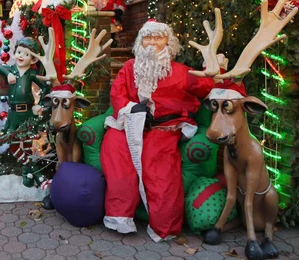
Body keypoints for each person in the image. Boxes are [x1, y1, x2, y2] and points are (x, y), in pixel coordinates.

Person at [100, 19, 242, 242]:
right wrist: (131, 108)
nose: (152, 42)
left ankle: (164, 226)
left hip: (163, 129)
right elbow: (117, 94)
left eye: (158, 37)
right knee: (115, 150)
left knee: (160, 171)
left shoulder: (181, 72)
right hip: (129, 124)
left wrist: (220, 71)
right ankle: (119, 215)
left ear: (168, 42)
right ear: (140, 42)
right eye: (148, 37)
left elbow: (205, 86)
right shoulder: (129, 68)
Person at [0, 36, 53, 187]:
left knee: (27, 145)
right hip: (14, 114)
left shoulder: (31, 74)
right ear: (14, 53)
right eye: (19, 52)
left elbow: (46, 87)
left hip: (27, 113)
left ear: (32, 59)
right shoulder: (11, 70)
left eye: (26, 54)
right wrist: (7, 74)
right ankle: (34, 171)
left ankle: (28, 175)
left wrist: (39, 104)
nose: (21, 56)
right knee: (13, 144)